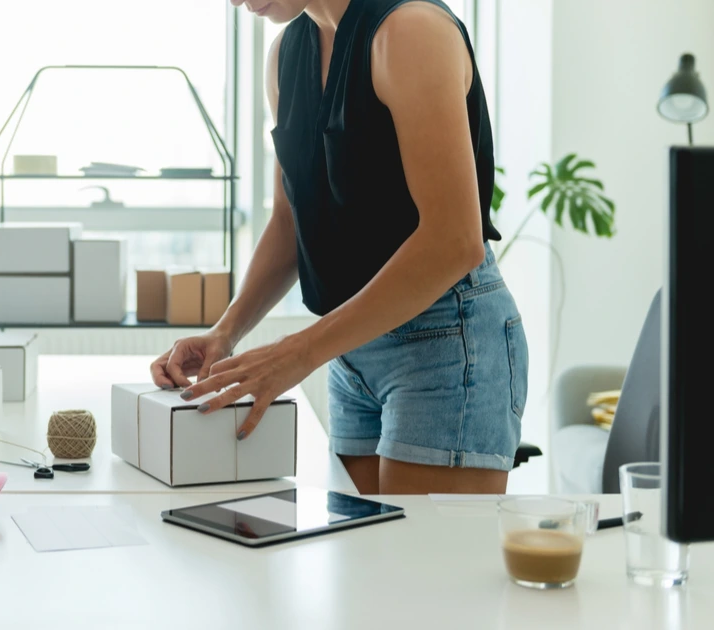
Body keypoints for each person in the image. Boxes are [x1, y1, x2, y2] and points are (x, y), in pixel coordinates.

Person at [151, 0, 527, 495]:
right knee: (364, 566)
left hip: (444, 340)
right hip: (351, 344)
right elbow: (290, 221)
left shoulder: (410, 31)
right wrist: (226, 331)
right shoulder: (287, 53)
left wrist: (298, 353)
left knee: (422, 568)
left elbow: (455, 242)